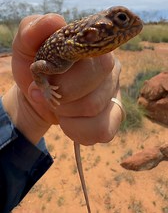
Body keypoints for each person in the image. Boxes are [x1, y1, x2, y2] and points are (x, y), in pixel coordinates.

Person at [0, 13, 124, 213]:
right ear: (91, 33)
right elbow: (35, 67)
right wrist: (44, 90)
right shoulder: (58, 63)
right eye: (121, 18)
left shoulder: (77, 52)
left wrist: (31, 111)